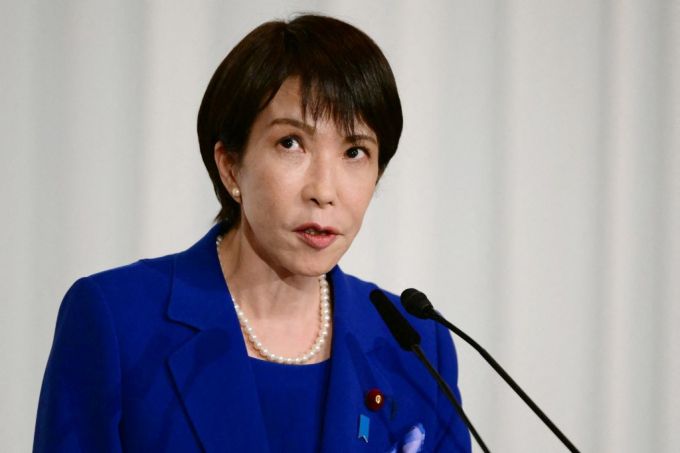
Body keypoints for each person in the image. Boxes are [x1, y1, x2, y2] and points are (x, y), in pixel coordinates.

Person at [34, 14, 472, 453]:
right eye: (291, 143)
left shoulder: (415, 346)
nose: (324, 191)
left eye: (355, 151)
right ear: (230, 167)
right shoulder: (116, 322)